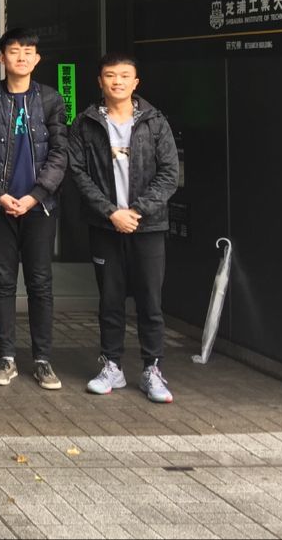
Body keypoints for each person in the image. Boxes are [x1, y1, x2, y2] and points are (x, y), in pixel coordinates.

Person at [69, 54, 179, 403]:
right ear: (99, 81)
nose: (117, 81)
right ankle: (112, 365)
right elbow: (78, 173)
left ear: (136, 82)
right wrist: (110, 213)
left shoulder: (155, 122)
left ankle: (152, 369)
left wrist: (136, 211)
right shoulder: (85, 123)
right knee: (110, 300)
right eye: (110, 75)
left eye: (124, 75)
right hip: (105, 226)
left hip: (148, 227)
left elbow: (169, 174)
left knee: (150, 301)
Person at [0, 27, 69, 390]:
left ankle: (43, 360)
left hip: (39, 207)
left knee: (40, 282)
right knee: (3, 280)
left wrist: (36, 195)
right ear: (1, 58)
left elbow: (60, 152)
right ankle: (6, 357)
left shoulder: (51, 99)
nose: (21, 57)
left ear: (37, 59)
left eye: (28, 51)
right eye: (14, 51)